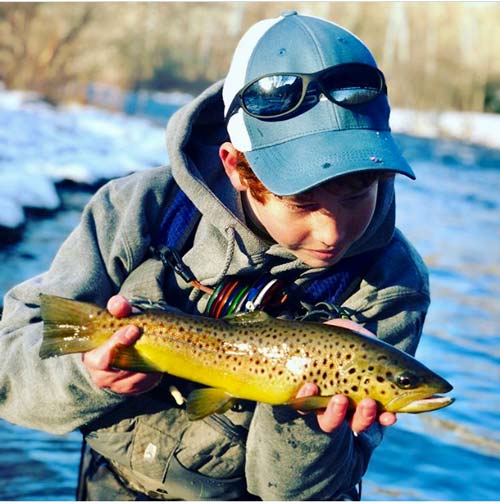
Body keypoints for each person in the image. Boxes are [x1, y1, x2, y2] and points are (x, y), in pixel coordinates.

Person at [0, 11, 429, 501]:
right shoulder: (139, 212)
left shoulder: (391, 284)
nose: (331, 232)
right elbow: (7, 371)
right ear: (236, 167)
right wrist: (87, 374)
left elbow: (306, 494)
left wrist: (309, 424)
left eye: (359, 193)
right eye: (302, 202)